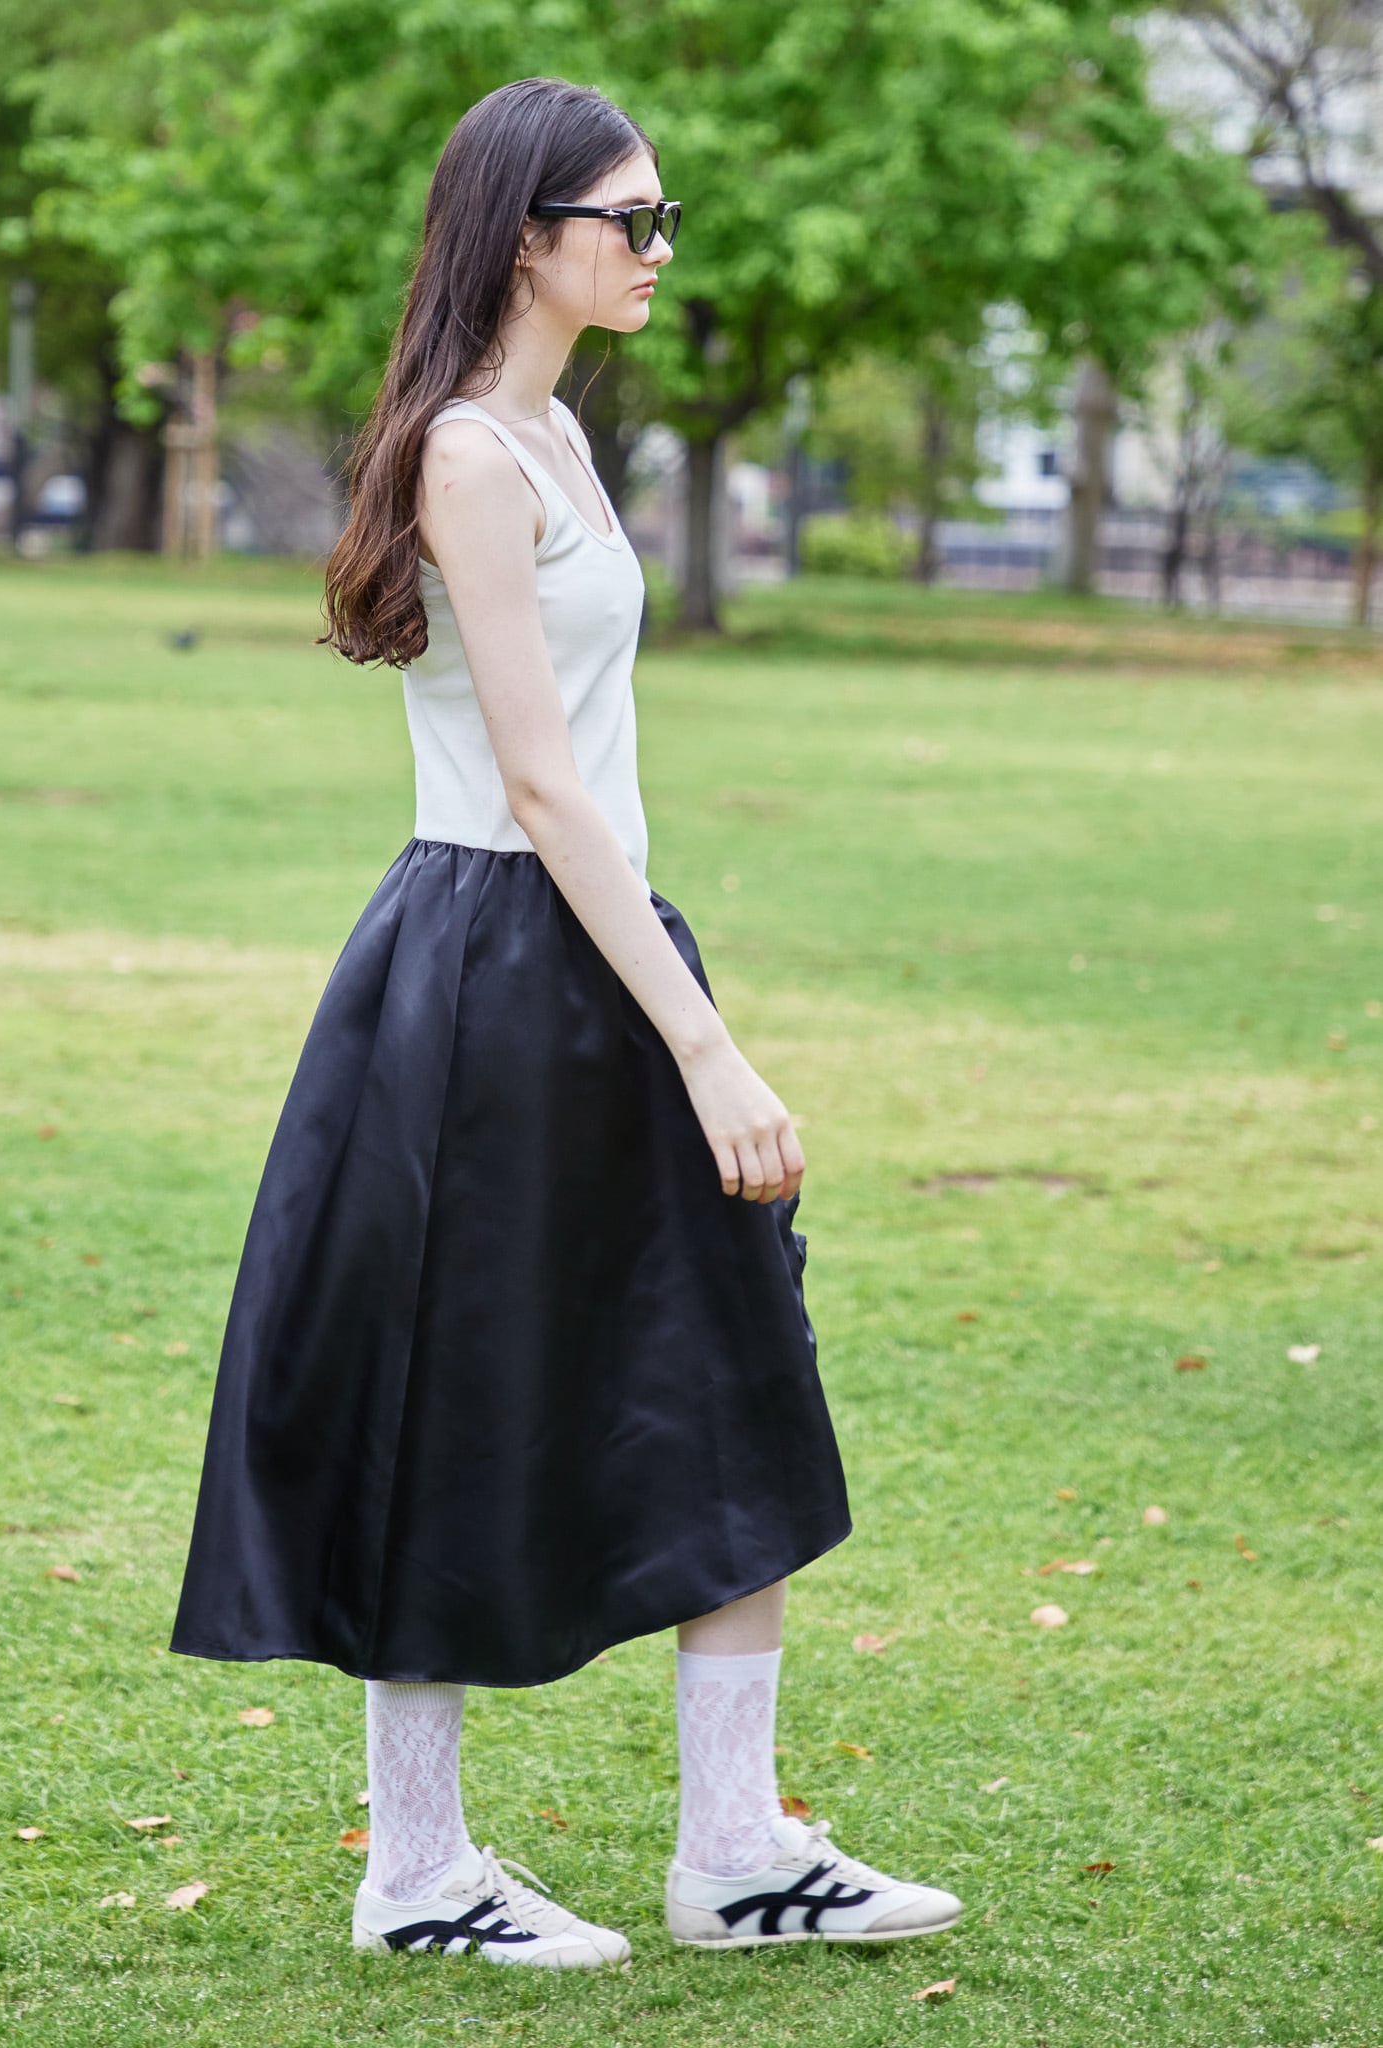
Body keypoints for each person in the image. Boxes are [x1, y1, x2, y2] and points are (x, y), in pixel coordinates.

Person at [169, 75, 963, 1965]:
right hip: (490, 969)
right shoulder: (467, 455)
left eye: (662, 219)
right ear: (529, 238)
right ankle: (417, 1871)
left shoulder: (561, 436)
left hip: (602, 940)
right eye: (633, 220)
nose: (659, 250)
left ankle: (736, 1852)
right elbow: (535, 781)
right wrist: (708, 1045)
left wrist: (672, 997)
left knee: (735, 1359)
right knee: (449, 1390)